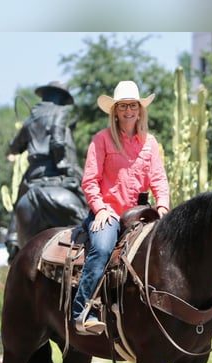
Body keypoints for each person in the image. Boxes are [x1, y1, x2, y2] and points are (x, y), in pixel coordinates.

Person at [72, 80, 170, 335]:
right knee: (103, 248)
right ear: (115, 110)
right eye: (123, 106)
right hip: (110, 213)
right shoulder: (101, 140)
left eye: (133, 105)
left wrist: (163, 207)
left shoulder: (150, 143)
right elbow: (90, 180)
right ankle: (83, 311)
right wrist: (101, 209)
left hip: (140, 215)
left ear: (140, 109)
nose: (129, 110)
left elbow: (158, 179)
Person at [4, 81, 87, 261]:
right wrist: (63, 164)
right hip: (57, 174)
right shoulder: (61, 111)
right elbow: (58, 141)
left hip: (33, 176)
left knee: (19, 201)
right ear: (61, 98)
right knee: (87, 200)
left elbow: (14, 147)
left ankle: (12, 241)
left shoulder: (31, 119)